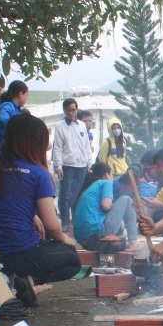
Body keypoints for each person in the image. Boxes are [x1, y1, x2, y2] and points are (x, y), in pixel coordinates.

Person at [0, 113, 80, 306]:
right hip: (17, 253)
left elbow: (4, 205)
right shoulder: (38, 173)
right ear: (35, 143)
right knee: (72, 259)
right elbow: (51, 225)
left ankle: (7, 279)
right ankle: (22, 283)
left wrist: (32, 216)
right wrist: (65, 238)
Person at [72, 161, 139, 251]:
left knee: (116, 218)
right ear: (107, 174)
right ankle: (133, 242)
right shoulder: (105, 183)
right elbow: (106, 206)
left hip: (84, 240)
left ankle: (125, 241)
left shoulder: (89, 188)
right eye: (112, 175)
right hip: (97, 235)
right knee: (126, 200)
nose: (112, 178)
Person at [51, 98, 93, 231]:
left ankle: (75, 222)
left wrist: (89, 163)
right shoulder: (60, 127)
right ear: (64, 110)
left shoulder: (81, 126)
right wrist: (58, 165)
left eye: (73, 110)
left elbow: (86, 146)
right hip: (67, 165)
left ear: (77, 110)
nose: (71, 113)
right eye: (69, 110)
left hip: (81, 165)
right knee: (65, 195)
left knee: (78, 194)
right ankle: (64, 222)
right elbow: (57, 147)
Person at [0, 79, 27, 156]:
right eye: (26, 95)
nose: (26, 98)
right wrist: (15, 130)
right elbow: (3, 118)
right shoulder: (8, 106)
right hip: (4, 149)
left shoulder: (16, 109)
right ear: (20, 94)